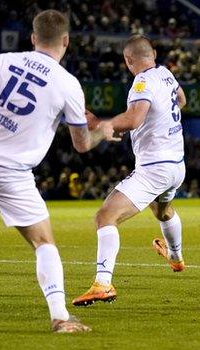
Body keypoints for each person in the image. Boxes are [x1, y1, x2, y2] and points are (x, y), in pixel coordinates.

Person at [0, 10, 117, 333]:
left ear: (33, 38)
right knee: (44, 243)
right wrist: (104, 130)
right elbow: (82, 145)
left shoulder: (2, 60)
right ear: (66, 41)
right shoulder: (68, 84)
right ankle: (60, 318)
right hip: (11, 173)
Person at [72, 35, 187, 307]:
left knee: (105, 216)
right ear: (154, 53)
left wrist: (106, 125)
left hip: (154, 167)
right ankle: (176, 257)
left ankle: (102, 283)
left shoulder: (142, 81)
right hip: (176, 165)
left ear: (127, 60)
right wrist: (152, 124)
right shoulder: (165, 73)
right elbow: (180, 100)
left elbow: (134, 118)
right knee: (162, 211)